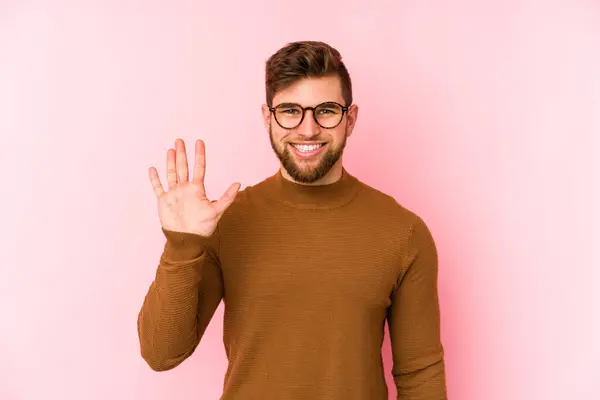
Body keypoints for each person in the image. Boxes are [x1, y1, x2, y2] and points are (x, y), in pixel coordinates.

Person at [137, 40, 447, 399]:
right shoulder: (227, 221)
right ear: (268, 118)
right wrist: (182, 245)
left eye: (326, 110)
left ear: (351, 118)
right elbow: (161, 354)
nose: (308, 129)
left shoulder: (404, 233)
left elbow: (419, 374)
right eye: (290, 110)